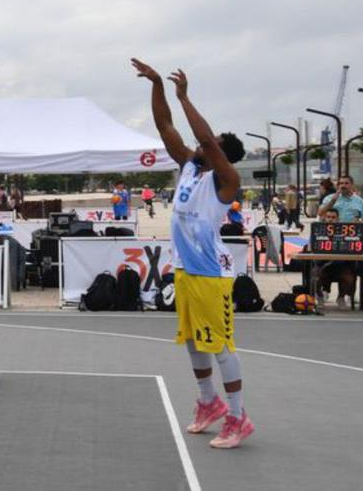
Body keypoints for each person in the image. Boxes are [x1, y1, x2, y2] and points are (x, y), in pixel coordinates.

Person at [133, 58, 254, 449]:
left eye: (209, 143)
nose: (201, 143)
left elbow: (205, 138)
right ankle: (208, 402)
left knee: (220, 346)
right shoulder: (189, 166)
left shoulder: (226, 179)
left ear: (220, 155)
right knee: (193, 341)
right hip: (186, 270)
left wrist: (185, 97)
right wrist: (157, 85)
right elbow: (165, 126)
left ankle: (237, 417)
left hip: (211, 275)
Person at [312, 208, 356, 309]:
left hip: (341, 265)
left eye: (333, 217)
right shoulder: (317, 231)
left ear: (338, 219)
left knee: (349, 277)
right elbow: (310, 249)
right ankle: (320, 296)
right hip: (322, 264)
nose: (330, 219)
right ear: (324, 218)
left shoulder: (346, 231)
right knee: (314, 275)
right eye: (328, 217)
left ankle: (341, 297)